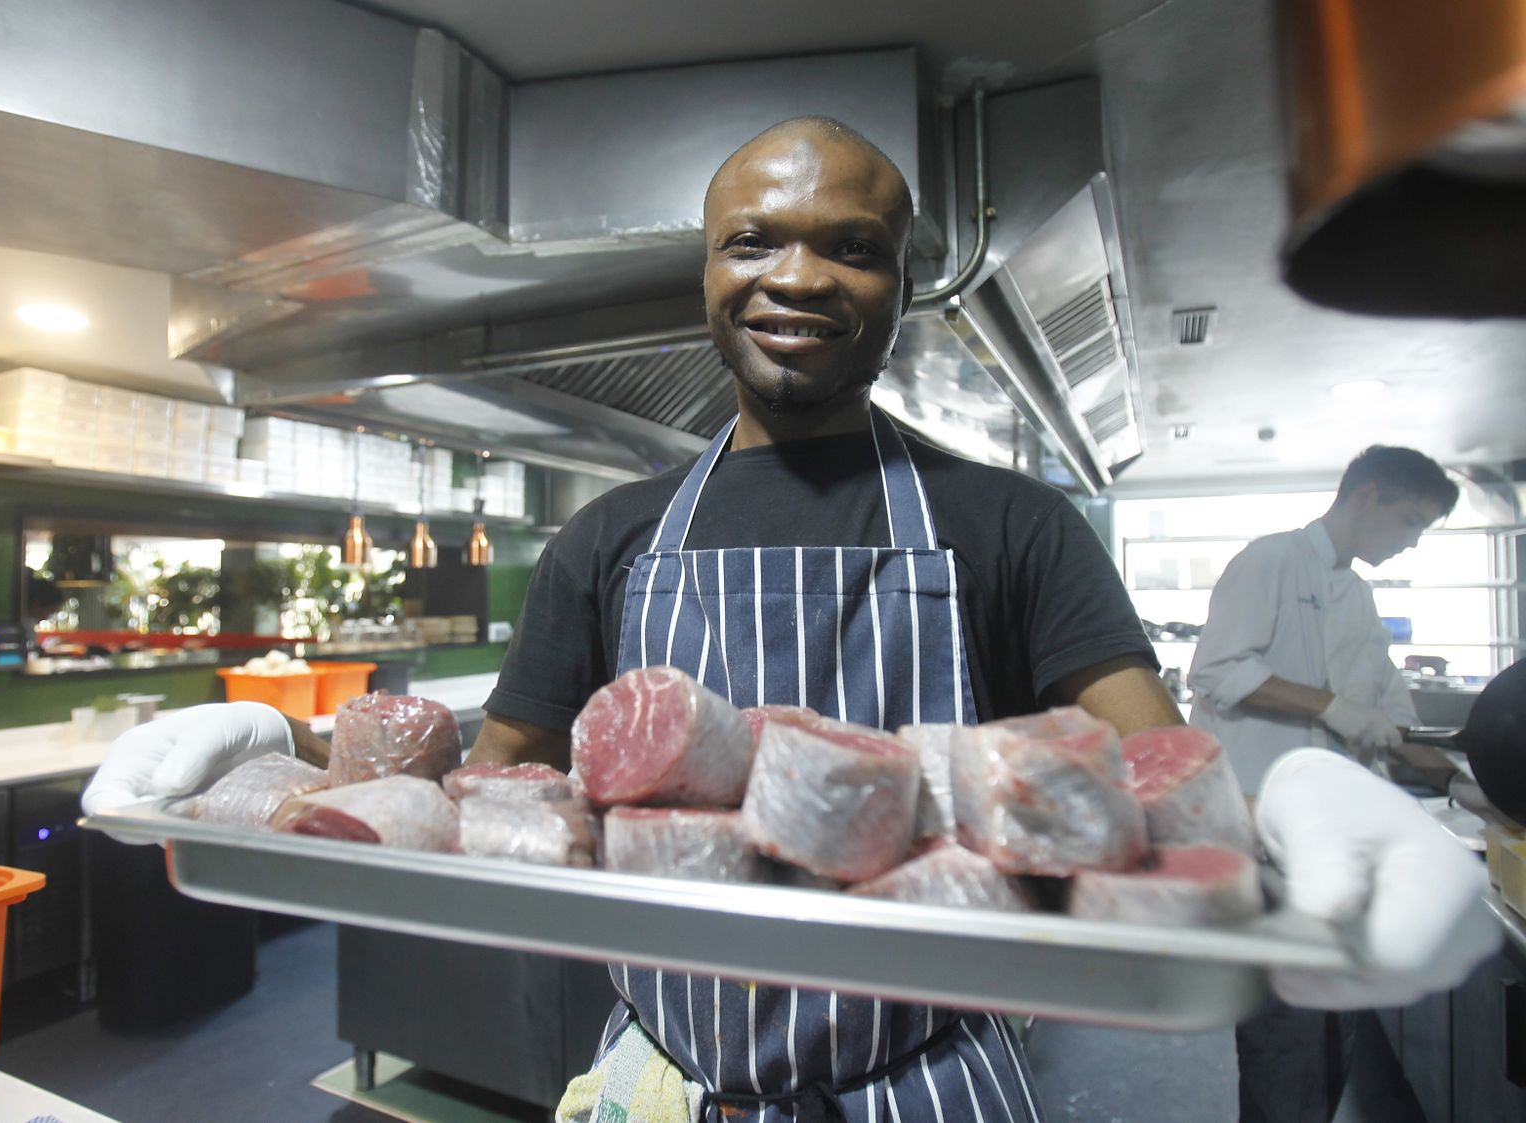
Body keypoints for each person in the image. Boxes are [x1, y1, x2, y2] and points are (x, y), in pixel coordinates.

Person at [84, 119, 1497, 1123]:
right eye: (754, 239)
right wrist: (266, 760)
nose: (801, 276)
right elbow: (469, 791)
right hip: (661, 1077)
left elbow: (1163, 792)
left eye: (854, 246)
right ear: (705, 271)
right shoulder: (613, 538)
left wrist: (1296, 798)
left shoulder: (1008, 524)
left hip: (935, 1084)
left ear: (900, 283)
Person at [1187, 447, 1462, 1123]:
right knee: (1287, 1042)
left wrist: (1466, 784)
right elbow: (1218, 671)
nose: (1411, 541)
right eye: (1408, 521)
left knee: (1337, 1035)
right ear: (1364, 496)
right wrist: (1331, 706)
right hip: (1263, 844)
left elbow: (1394, 715)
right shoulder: (1271, 560)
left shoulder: (1359, 595)